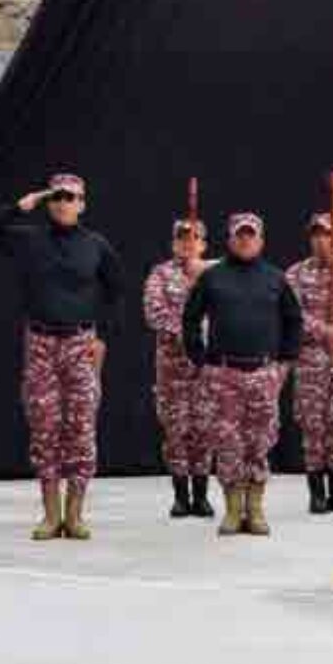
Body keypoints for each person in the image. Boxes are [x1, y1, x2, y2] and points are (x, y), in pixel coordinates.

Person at [0, 173, 123, 540]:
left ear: (82, 203)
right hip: (40, 343)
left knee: (81, 428)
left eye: (70, 197)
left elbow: (115, 289)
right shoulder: (29, 238)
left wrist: (101, 336)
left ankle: (75, 514)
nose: (62, 203)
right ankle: (50, 514)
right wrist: (21, 205)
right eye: (56, 196)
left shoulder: (95, 244)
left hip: (79, 343)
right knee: (44, 428)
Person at [182, 213, 302, 536]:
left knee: (260, 443)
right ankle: (234, 510)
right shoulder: (213, 277)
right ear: (230, 239)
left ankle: (256, 509)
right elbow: (190, 319)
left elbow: (294, 321)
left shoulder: (276, 279)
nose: (246, 239)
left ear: (261, 240)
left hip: (263, 373)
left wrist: (284, 364)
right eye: (240, 235)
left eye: (251, 235)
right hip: (224, 375)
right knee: (228, 443)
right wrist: (200, 359)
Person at [285, 212, 333, 515]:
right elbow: (291, 314)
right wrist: (321, 329)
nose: (320, 240)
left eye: (327, 234)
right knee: (313, 426)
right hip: (312, 362)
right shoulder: (297, 274)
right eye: (315, 234)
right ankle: (316, 492)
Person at [143, 217, 215, 518]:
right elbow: (154, 312)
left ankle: (201, 495)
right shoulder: (161, 274)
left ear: (204, 244)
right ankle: (180, 495)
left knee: (204, 431)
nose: (188, 242)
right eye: (182, 237)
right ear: (174, 242)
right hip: (173, 370)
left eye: (194, 237)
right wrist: (188, 329)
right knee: (176, 432)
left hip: (205, 368)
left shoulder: (216, 274)